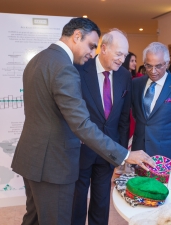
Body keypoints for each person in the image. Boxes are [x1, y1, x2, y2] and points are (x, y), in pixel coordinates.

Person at [11, 18, 155, 225]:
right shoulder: (65, 68)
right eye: (91, 46)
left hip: (32, 160)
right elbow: (81, 124)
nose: (91, 52)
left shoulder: (39, 59)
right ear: (77, 36)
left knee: (33, 219)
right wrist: (125, 154)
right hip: (53, 165)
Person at [71, 29, 132, 225]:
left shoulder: (124, 76)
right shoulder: (80, 69)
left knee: (102, 200)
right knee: (77, 200)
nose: (123, 59)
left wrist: (120, 152)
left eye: (125, 55)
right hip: (82, 149)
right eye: (119, 53)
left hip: (109, 151)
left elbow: (124, 117)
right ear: (103, 48)